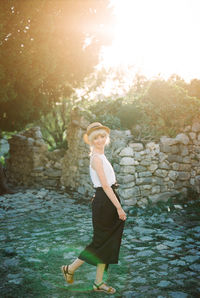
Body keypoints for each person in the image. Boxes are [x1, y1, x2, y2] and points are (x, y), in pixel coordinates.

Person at [61, 122, 126, 294]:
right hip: (106, 201)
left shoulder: (101, 156)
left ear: (107, 137)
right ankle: (70, 268)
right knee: (101, 242)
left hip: (106, 200)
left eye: (102, 136)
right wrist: (119, 208)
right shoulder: (96, 158)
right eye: (95, 137)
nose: (100, 140)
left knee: (106, 242)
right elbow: (105, 186)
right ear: (90, 140)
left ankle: (99, 283)